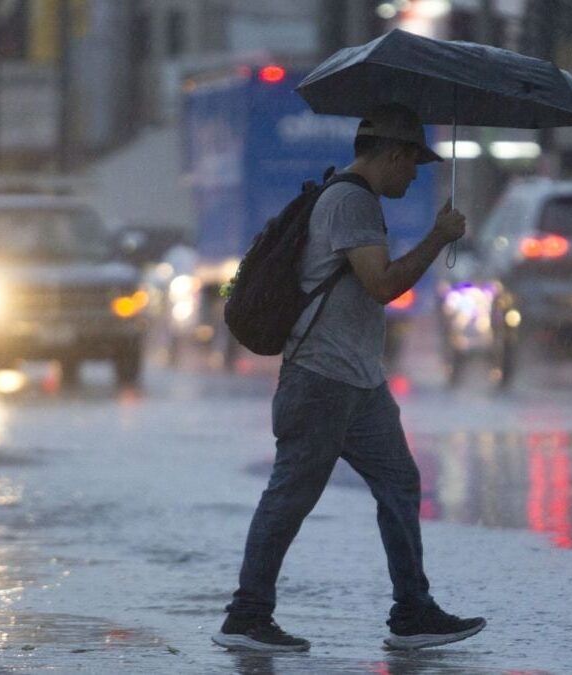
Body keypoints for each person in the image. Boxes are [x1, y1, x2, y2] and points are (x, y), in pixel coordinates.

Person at [212, 104, 486, 652]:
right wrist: (437, 238)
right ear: (392, 154)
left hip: (358, 382)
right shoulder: (350, 202)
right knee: (291, 496)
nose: (415, 175)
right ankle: (246, 616)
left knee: (400, 484)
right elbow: (382, 284)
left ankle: (412, 611)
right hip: (321, 379)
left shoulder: (353, 200)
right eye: (413, 164)